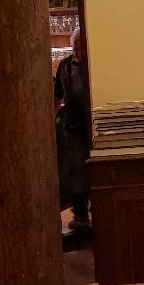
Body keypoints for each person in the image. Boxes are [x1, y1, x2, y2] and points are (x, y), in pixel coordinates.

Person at [54, 28, 90, 230]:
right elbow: (57, 95)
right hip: (71, 125)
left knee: (91, 171)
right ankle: (80, 216)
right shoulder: (64, 65)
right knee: (76, 171)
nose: (76, 52)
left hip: (91, 125)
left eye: (80, 48)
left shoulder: (93, 64)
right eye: (74, 47)